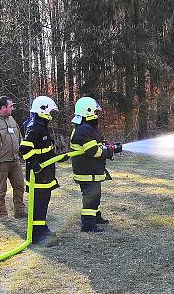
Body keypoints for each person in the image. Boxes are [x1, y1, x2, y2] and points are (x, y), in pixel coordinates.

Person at [70, 96, 121, 233]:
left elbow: (99, 144)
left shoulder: (88, 127)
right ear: (88, 111)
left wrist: (111, 147)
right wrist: (109, 152)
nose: (97, 114)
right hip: (87, 171)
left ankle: (96, 217)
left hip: (92, 170)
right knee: (90, 197)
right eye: (95, 111)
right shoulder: (84, 129)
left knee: (95, 195)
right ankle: (88, 224)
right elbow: (94, 151)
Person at [20, 96, 60, 247]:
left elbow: (44, 149)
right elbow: (24, 149)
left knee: (43, 202)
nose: (51, 114)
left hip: (45, 172)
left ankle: (41, 229)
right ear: (43, 109)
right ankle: (37, 235)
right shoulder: (34, 126)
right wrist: (35, 164)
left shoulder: (40, 124)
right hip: (38, 175)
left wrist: (56, 158)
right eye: (50, 111)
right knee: (39, 203)